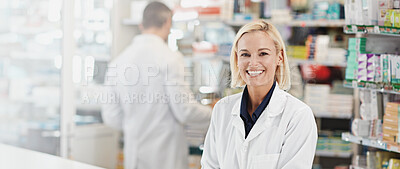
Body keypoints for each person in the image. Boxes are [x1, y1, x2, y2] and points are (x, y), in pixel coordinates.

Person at [101, 2, 212, 169]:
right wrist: (216, 113)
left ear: (141, 25)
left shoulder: (119, 61)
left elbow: (110, 116)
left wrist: (136, 126)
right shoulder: (170, 58)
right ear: (168, 22)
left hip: (134, 157)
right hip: (166, 158)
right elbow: (185, 111)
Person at [201, 20, 318, 169]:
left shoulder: (298, 116)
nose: (253, 63)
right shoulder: (222, 109)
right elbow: (209, 166)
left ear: (279, 57)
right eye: (245, 54)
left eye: (263, 53)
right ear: (237, 60)